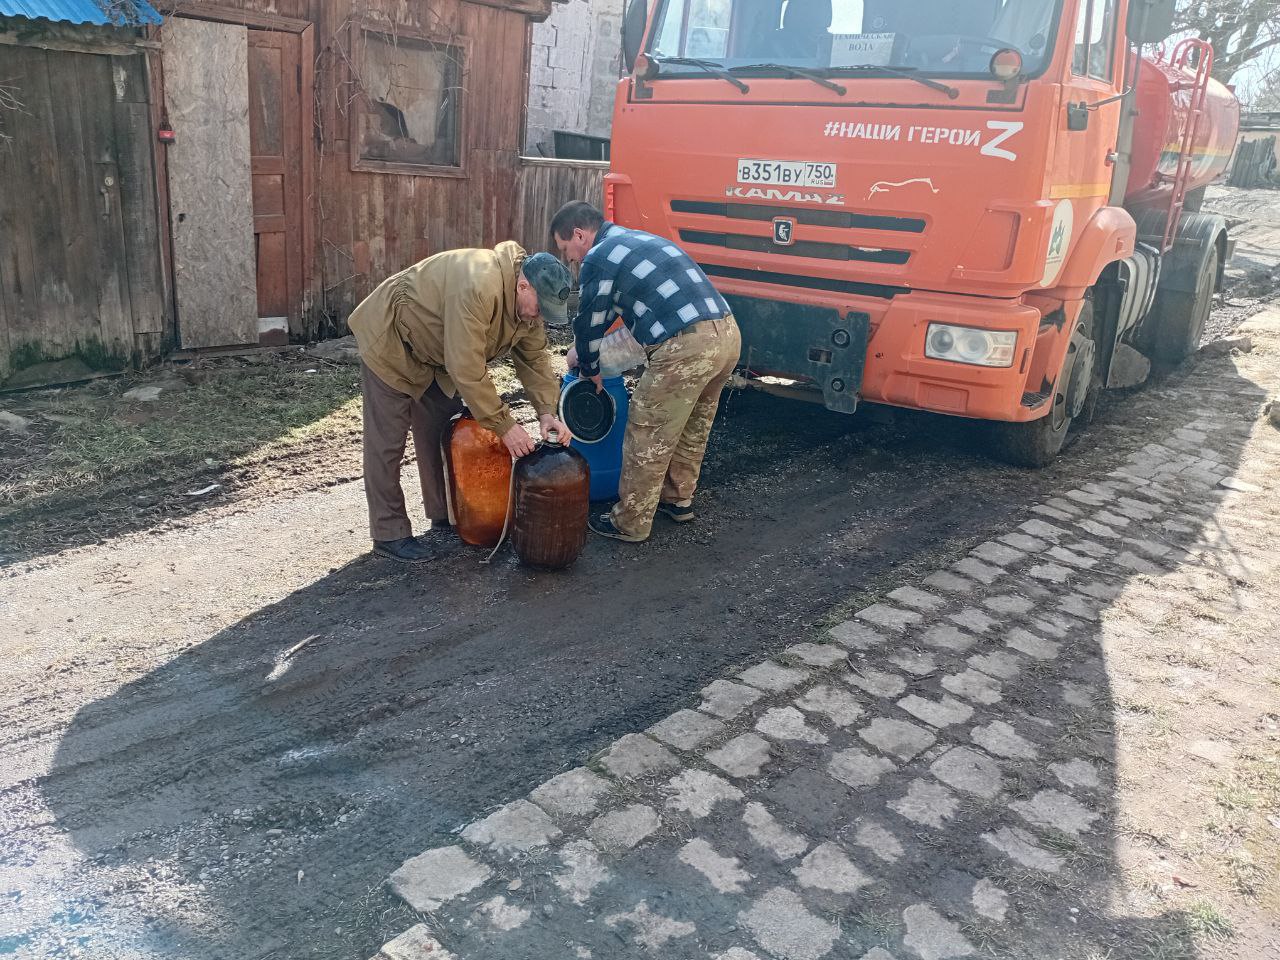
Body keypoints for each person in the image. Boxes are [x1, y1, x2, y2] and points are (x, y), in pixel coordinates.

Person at [348, 242, 573, 563]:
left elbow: (535, 359)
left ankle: (445, 513)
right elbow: (466, 368)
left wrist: (548, 412)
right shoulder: (479, 286)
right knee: (386, 443)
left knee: (443, 434)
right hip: (394, 339)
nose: (540, 317)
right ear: (524, 285)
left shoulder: (528, 309)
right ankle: (389, 532)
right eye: (540, 307)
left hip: (436, 355)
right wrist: (504, 425)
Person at [551, 201, 741, 543]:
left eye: (567, 251)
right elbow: (609, 313)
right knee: (692, 426)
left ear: (580, 234)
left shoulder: (599, 255)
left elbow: (590, 319)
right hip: (727, 334)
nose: (572, 261)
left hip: (685, 344)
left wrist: (590, 367)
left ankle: (630, 522)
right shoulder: (640, 240)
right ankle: (677, 500)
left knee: (646, 429)